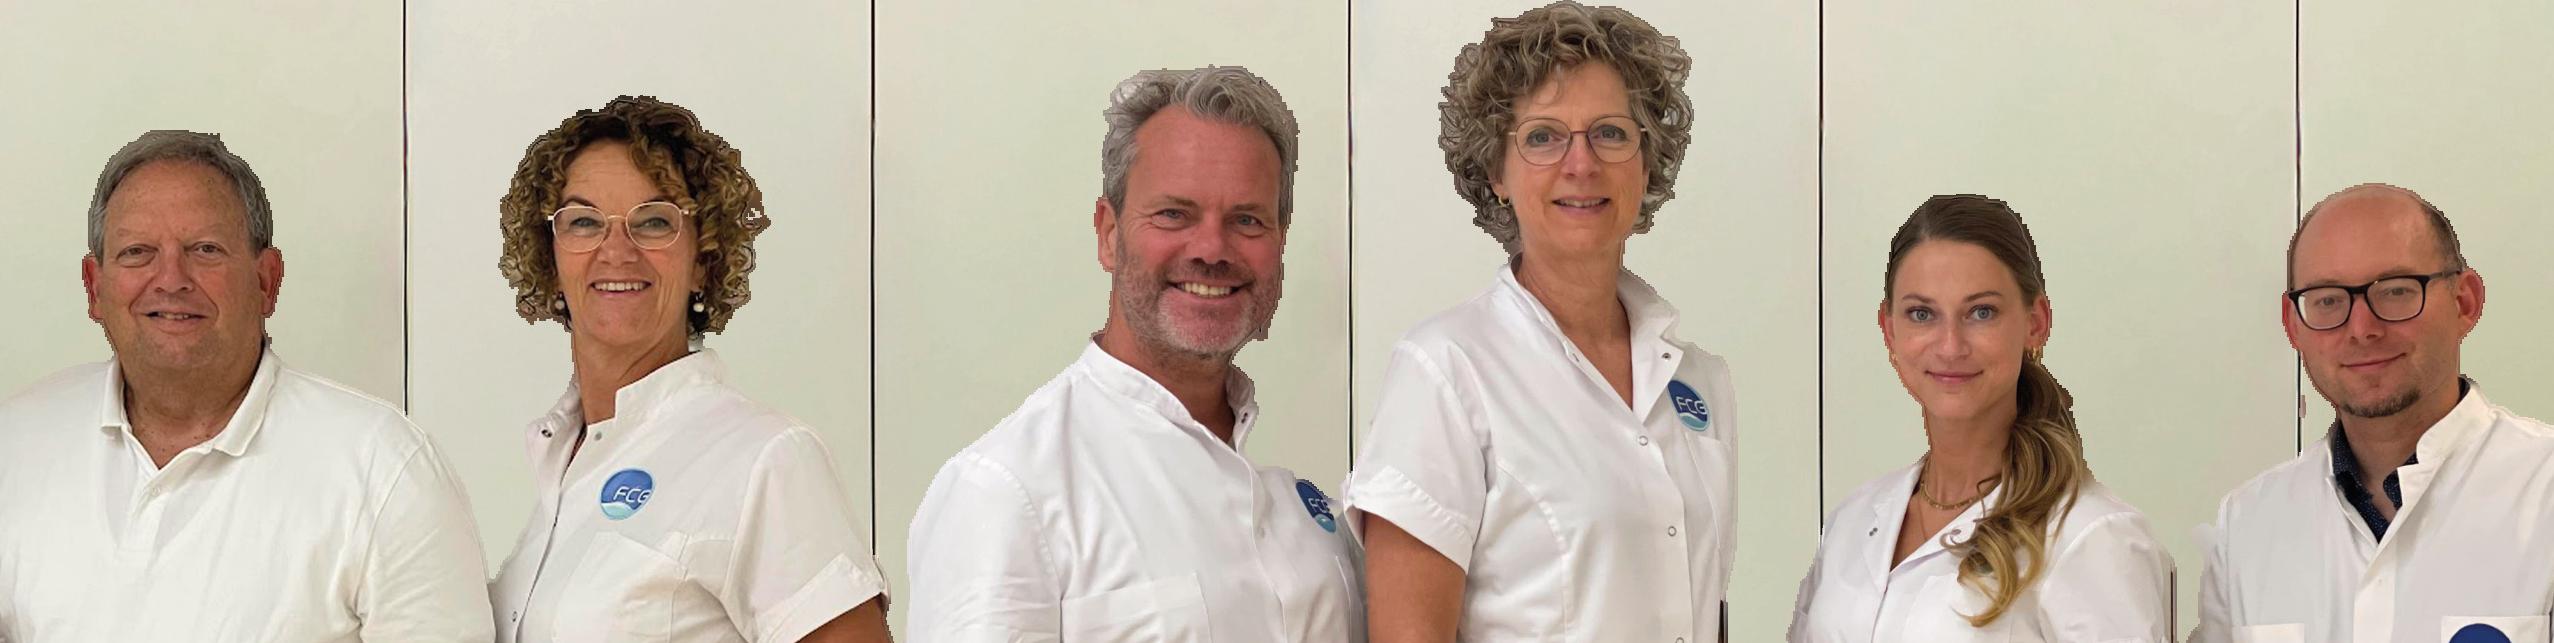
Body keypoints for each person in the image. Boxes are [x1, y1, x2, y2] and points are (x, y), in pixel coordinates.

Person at [903, 66, 1363, 642]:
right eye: (1174, 214)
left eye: (1247, 220)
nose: (1211, 249)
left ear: (1280, 243)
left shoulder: (1309, 514)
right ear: (1108, 233)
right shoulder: (1005, 492)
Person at [0, 130, 493, 640]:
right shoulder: (15, 446)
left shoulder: (387, 471)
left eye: (205, 249)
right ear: (94, 286)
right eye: (137, 252)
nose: (170, 278)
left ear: (266, 281)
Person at [1342, 3, 1736, 640]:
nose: (1581, 164)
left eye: (1610, 133)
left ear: (1646, 162)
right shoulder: (1444, 371)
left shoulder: (1699, 381)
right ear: (1496, 171)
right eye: (1543, 137)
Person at [486, 96, 892, 643]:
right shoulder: (562, 465)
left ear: (703, 259)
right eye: (583, 222)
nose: (616, 250)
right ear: (551, 259)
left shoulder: (766, 459)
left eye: (654, 222)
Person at [1786, 195, 2172, 642]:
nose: (1950, 346)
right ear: (1889, 329)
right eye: (1922, 314)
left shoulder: (2090, 537)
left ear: (2036, 322)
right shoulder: (1851, 524)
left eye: (1981, 312)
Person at [2191, 183, 2554, 643]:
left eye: (2396, 291)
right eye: (2327, 300)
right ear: (2292, 325)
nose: (2362, 328)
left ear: (2465, 302)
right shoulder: (2247, 525)